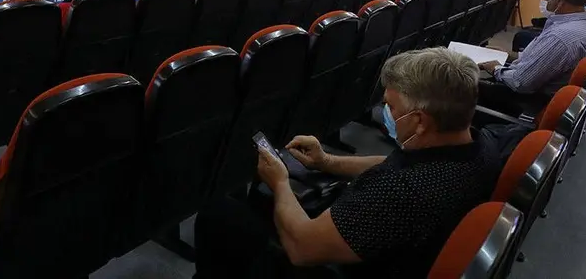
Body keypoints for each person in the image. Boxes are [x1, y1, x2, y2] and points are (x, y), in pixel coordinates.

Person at [194, 48, 500, 279]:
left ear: (419, 121)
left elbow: (302, 248)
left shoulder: (401, 192)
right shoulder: (478, 144)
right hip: (400, 245)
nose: (386, 112)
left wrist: (280, 182)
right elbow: (391, 162)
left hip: (335, 264)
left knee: (218, 213)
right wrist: (326, 161)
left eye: (391, 106)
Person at [479, 0, 586, 112]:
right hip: (534, 88)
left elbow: (520, 82)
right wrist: (508, 55)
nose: (542, 3)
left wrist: (495, 68)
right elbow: (542, 61)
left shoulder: (559, 38)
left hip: (525, 101)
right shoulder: (584, 24)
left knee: (458, 86)